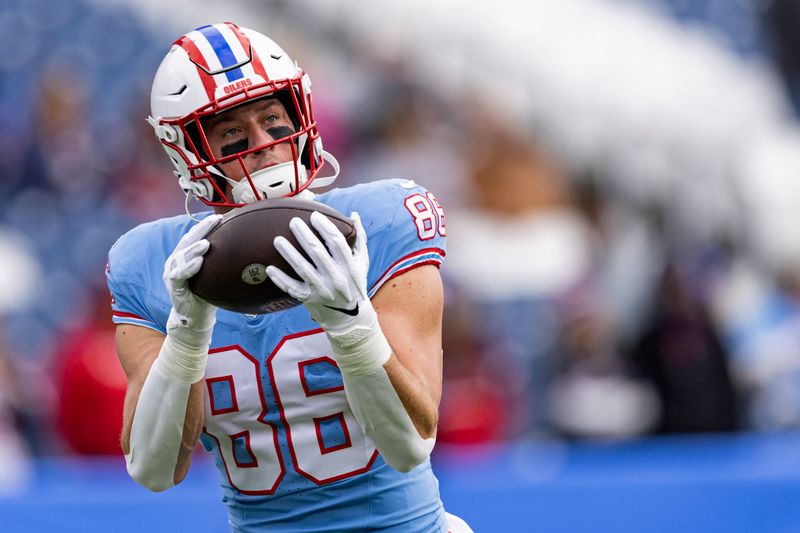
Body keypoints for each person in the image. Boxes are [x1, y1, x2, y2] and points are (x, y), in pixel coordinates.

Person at [106, 22, 472, 533]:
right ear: (185, 151)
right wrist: (186, 334)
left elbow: (410, 444)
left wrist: (350, 324)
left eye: (274, 120)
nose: (264, 145)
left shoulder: (383, 220)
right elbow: (153, 469)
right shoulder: (151, 260)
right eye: (233, 134)